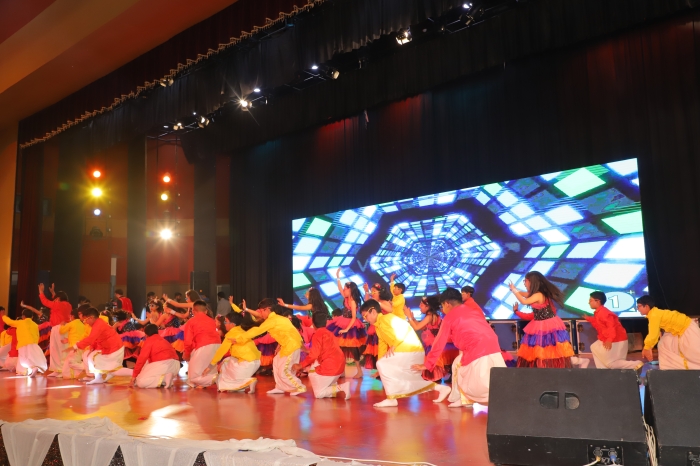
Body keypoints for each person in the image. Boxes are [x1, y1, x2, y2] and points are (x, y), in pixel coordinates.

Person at [412, 288, 506, 407]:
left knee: (476, 383)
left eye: (442, 306)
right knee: (493, 377)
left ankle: (469, 399)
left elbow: (439, 342)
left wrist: (427, 364)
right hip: (493, 345)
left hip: (477, 349)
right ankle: (463, 399)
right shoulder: (472, 310)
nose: (443, 309)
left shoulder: (449, 318)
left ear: (447, 304)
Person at [360, 300, 451, 407]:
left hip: (409, 350)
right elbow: (382, 346)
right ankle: (441, 388)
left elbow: (404, 328)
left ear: (373, 311)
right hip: (406, 351)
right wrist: (380, 369)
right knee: (410, 378)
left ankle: (391, 399)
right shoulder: (378, 326)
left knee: (383, 365)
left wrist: (394, 345)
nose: (365, 319)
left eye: (365, 316)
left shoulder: (387, 318)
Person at [229, 301, 306, 395]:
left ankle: (298, 387)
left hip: (292, 346)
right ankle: (280, 387)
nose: (260, 313)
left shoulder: (273, 320)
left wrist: (240, 339)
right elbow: (285, 333)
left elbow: (257, 330)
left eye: (262, 311)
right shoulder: (276, 318)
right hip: (287, 345)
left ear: (268, 309)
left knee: (284, 370)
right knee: (276, 363)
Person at [509, 271, 574, 368]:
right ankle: (541, 366)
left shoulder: (538, 294)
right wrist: (514, 290)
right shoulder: (536, 294)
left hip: (547, 325)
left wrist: (514, 290)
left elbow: (524, 301)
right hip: (540, 323)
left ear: (531, 281)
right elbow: (525, 295)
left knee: (548, 348)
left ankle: (546, 367)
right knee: (540, 348)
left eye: (525, 281)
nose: (524, 283)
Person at [293, 312, 350, 399]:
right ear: (326, 323)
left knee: (319, 393)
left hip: (331, 367)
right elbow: (322, 351)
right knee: (313, 369)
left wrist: (301, 365)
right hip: (340, 366)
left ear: (313, 324)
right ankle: (332, 387)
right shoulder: (330, 333)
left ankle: (341, 387)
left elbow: (314, 355)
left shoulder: (317, 335)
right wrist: (305, 350)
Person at [637, 295, 700, 369]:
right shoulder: (654, 313)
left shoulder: (654, 315)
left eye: (639, 306)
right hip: (674, 332)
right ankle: (668, 368)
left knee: (694, 352)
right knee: (663, 346)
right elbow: (655, 333)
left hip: (686, 327)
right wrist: (648, 347)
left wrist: (647, 347)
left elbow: (653, 334)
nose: (638, 309)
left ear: (646, 306)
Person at [585, 291, 642, 371]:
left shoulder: (604, 313)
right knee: (594, 346)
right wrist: (589, 319)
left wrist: (609, 339)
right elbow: (599, 324)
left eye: (590, 300)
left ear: (597, 301)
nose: (588, 302)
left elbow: (611, 327)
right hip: (611, 339)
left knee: (611, 363)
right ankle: (603, 371)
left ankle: (636, 364)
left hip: (616, 340)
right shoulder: (599, 312)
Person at [205, 312, 261, 393]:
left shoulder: (231, 334)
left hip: (247, 363)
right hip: (256, 362)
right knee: (226, 361)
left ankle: (248, 382)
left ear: (233, 324)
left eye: (226, 322)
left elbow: (221, 351)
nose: (224, 324)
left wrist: (210, 366)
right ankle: (243, 383)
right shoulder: (242, 331)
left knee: (228, 381)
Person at [407, 295, 459, 381]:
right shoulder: (432, 315)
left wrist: (409, 317)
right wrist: (412, 318)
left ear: (428, 306)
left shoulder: (429, 316)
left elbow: (416, 327)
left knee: (430, 355)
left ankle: (435, 378)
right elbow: (422, 327)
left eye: (421, 304)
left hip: (434, 343)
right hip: (435, 342)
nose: (419, 306)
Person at [326, 268, 366, 378]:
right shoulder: (346, 297)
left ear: (350, 290)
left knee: (353, 349)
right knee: (340, 348)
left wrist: (347, 329)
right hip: (342, 322)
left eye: (345, 289)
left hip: (351, 326)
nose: (343, 290)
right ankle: (342, 371)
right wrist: (338, 277)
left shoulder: (352, 301)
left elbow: (354, 317)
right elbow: (339, 288)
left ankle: (359, 371)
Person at [73, 307, 129, 384]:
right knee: (89, 355)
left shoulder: (98, 324)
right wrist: (92, 347)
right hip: (111, 347)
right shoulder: (97, 323)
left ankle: (135, 374)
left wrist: (77, 345)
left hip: (114, 348)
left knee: (113, 370)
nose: (86, 322)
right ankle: (96, 376)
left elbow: (91, 338)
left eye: (86, 320)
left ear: (91, 317)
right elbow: (96, 339)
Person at [183, 300, 221, 387]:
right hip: (217, 345)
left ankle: (220, 378)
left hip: (203, 345)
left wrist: (187, 354)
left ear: (193, 311)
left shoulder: (191, 321)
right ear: (206, 311)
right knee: (209, 370)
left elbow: (188, 341)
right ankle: (211, 380)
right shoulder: (212, 320)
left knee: (192, 378)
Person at [129, 324, 180, 388]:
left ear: (146, 334)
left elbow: (141, 360)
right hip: (176, 366)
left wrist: (133, 377)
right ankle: (166, 379)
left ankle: (164, 379)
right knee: (140, 377)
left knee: (140, 382)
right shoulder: (163, 340)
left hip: (163, 364)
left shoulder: (149, 341)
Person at [38, 283, 72, 377]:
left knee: (60, 349)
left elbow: (46, 302)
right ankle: (57, 369)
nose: (54, 300)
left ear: (59, 298)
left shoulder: (61, 305)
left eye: (56, 298)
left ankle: (62, 369)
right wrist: (53, 293)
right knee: (55, 349)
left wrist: (41, 292)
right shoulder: (66, 305)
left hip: (60, 328)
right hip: (57, 328)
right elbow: (55, 303)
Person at [2, 309, 47, 377]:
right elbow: (37, 335)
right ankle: (27, 370)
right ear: (32, 317)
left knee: (23, 359)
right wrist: (35, 343)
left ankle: (32, 368)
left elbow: (9, 322)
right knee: (32, 357)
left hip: (23, 343)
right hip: (33, 344)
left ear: (23, 316)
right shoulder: (35, 325)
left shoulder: (20, 322)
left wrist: (3, 316)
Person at [361, 283, 393, 373]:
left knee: (383, 350)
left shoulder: (384, 302)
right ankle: (379, 370)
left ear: (380, 292)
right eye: (371, 291)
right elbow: (366, 303)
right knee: (375, 351)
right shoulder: (372, 303)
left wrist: (377, 303)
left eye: (374, 291)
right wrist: (366, 291)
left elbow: (390, 310)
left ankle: (384, 370)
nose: (372, 293)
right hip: (374, 329)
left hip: (383, 330)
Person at [59, 309, 86, 379]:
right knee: (69, 364)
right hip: (81, 347)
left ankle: (87, 368)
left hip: (75, 347)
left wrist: (62, 324)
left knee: (71, 362)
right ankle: (74, 375)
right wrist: (67, 340)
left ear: (72, 316)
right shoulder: (82, 324)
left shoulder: (72, 323)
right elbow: (77, 336)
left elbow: (61, 331)